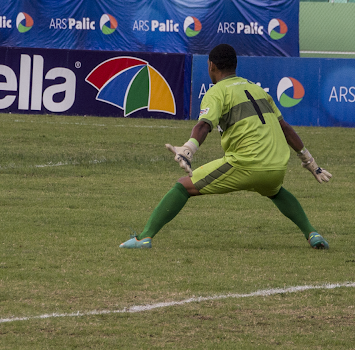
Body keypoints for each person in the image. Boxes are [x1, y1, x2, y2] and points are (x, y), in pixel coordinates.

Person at [120, 44, 332, 250]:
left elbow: (204, 125)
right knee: (275, 191)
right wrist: (310, 162)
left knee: (182, 187)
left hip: (247, 163)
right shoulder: (257, 89)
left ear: (211, 65)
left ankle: (144, 238)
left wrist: (188, 149)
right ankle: (312, 233)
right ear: (235, 65)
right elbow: (285, 128)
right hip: (277, 166)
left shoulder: (217, 92)